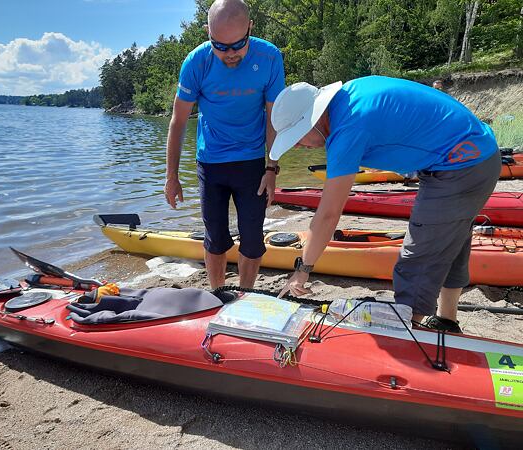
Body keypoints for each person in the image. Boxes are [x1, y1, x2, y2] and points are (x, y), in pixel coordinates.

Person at [272, 76, 501, 332]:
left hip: (461, 164)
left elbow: (328, 214)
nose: (299, 146)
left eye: (297, 138)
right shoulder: (350, 96)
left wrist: (303, 269)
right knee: (450, 240)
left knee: (419, 251)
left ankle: (407, 330)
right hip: (476, 154)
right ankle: (447, 319)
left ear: (312, 119)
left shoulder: (348, 128)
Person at [164, 0, 285, 289]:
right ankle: (218, 292)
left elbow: (273, 117)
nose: (229, 54)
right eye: (220, 45)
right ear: (208, 32)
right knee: (215, 238)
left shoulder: (269, 57)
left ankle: (244, 294)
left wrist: (272, 168)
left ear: (250, 29)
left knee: (253, 239)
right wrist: (171, 177)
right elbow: (178, 121)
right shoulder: (196, 62)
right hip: (211, 162)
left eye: (237, 45)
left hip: (253, 161)